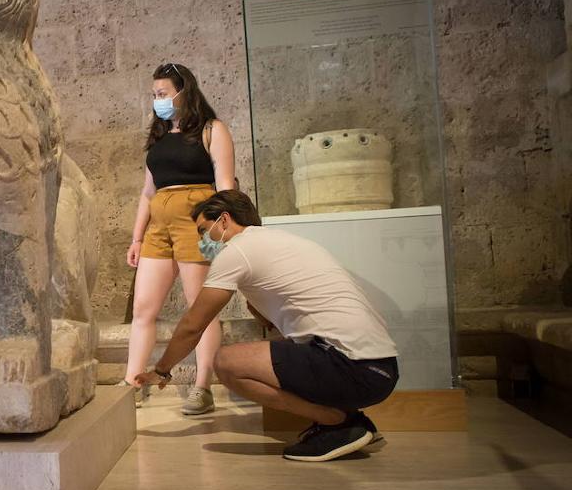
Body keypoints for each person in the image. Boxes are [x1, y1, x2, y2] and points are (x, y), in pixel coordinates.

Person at [136, 190, 400, 462]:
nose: (202, 242)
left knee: (227, 363)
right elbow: (274, 325)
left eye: (204, 231)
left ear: (224, 220)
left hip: (354, 368)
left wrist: (162, 370)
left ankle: (338, 422)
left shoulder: (236, 251)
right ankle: (351, 420)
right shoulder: (279, 241)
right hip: (381, 368)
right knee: (276, 348)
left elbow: (193, 325)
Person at [122, 62, 235, 415]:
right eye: (154, 94)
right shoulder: (158, 137)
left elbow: (225, 183)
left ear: (185, 91)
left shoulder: (212, 129)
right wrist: (137, 238)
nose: (158, 100)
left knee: (199, 307)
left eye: (163, 93)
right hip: (159, 223)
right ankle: (132, 383)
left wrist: (224, 229)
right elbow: (147, 192)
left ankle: (202, 386)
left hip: (195, 219)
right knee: (143, 308)